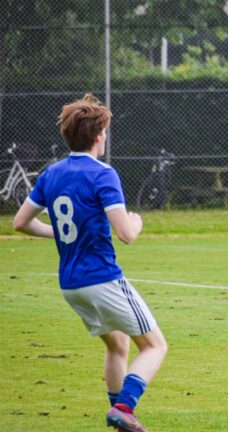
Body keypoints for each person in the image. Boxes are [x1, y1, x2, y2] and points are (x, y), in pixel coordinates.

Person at [12, 93, 168, 430]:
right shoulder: (103, 173)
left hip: (71, 285)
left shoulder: (51, 174)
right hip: (101, 279)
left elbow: (19, 222)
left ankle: (120, 419)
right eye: (106, 131)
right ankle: (124, 407)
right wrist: (137, 223)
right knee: (155, 346)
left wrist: (59, 233)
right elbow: (125, 234)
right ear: (98, 136)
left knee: (117, 344)